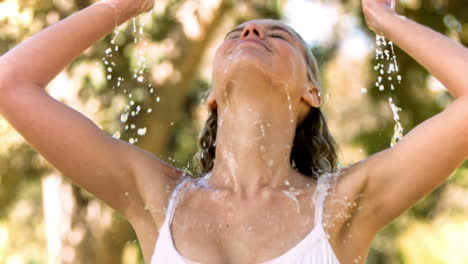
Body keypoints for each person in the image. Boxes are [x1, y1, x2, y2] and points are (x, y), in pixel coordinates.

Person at [0, 0, 467, 263]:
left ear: (312, 92)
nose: (250, 34)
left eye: (277, 35)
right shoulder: (159, 197)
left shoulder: (343, 206)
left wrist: (388, 20)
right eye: (236, 32)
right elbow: (11, 83)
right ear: (211, 97)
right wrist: (117, 8)